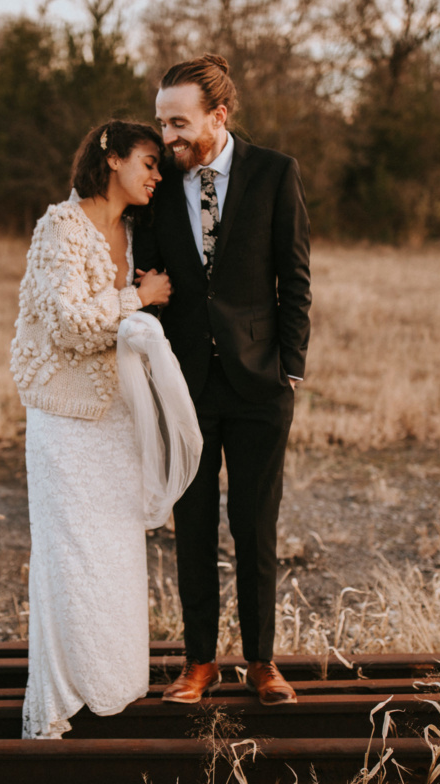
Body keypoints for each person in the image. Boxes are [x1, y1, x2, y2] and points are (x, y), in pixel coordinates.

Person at [134, 55, 312, 707]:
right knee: (195, 527)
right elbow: (145, 280)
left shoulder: (274, 173)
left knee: (255, 526)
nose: (168, 136)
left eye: (179, 123)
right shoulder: (156, 183)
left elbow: (294, 281)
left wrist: (290, 367)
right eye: (161, 123)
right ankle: (199, 663)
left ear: (219, 116)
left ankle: (263, 662)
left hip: (262, 383)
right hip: (185, 385)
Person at [11, 120, 182, 739]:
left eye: (160, 167)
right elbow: (68, 325)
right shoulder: (61, 225)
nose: (157, 176)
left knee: (114, 548)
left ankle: (108, 679)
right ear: (112, 159)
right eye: (148, 162)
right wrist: (139, 299)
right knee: (67, 551)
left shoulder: (135, 231)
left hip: (116, 416)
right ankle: (58, 697)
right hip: (64, 417)